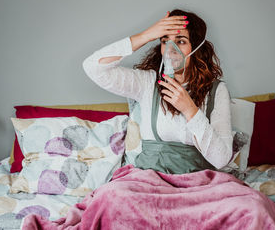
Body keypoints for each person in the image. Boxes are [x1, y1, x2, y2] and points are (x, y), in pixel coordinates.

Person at [82, 9, 233, 173]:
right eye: (164, 41)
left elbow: (221, 159)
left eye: (181, 41)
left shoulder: (216, 90)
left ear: (197, 48)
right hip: (150, 179)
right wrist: (147, 35)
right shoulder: (147, 83)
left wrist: (190, 110)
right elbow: (93, 67)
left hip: (197, 181)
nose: (171, 49)